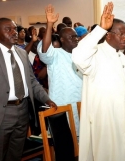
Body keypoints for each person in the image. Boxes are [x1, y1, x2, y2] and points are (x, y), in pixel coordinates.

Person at [0, 18, 57, 161]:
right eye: (8, 29)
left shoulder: (22, 53)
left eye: (14, 29)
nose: (14, 32)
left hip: (22, 110)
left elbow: (31, 81)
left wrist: (46, 98)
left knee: (15, 155)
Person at [72, 2, 125, 160]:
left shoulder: (121, 55)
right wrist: (100, 29)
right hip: (105, 121)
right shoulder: (95, 53)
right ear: (107, 35)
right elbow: (78, 57)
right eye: (120, 34)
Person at [38, 5, 82, 136]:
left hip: (81, 104)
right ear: (61, 39)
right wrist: (49, 25)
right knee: (65, 143)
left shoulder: (81, 55)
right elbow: (45, 50)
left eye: (76, 36)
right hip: (63, 104)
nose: (76, 39)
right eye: (71, 37)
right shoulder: (55, 55)